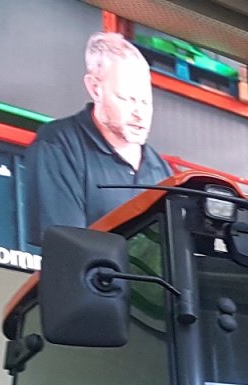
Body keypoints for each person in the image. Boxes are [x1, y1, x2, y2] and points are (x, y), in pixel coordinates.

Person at [24, 32, 169, 244]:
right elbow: (67, 249)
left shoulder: (161, 171)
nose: (139, 113)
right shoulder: (58, 147)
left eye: (145, 101)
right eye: (126, 99)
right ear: (95, 88)